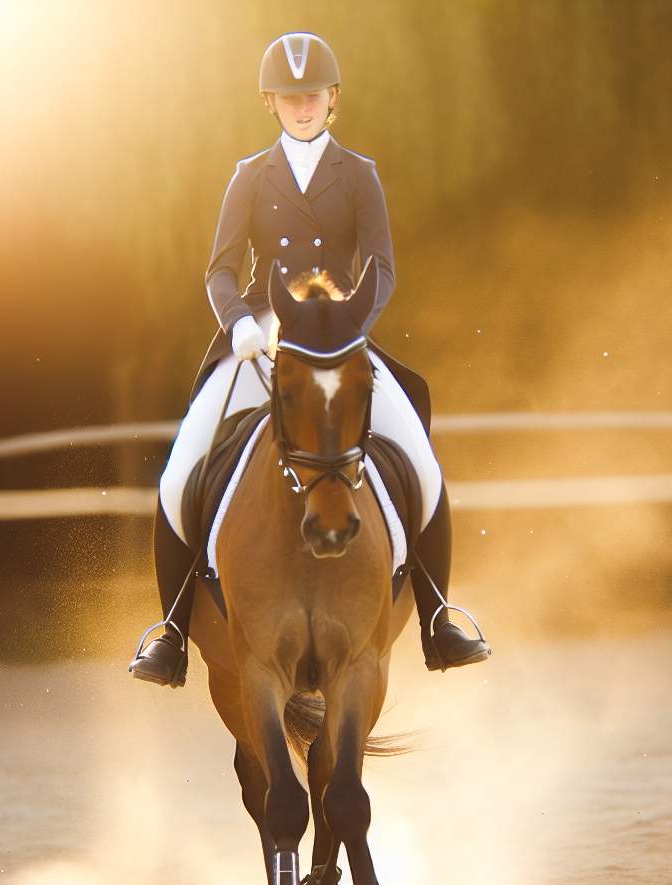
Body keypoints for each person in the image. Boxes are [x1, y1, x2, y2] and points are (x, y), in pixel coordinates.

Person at [129, 32, 490, 687]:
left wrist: (354, 320)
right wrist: (239, 322)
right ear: (272, 102)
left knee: (423, 465)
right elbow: (220, 270)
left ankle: (438, 615)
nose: (304, 106)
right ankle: (173, 631)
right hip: (263, 337)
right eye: (291, 96)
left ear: (332, 100)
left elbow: (380, 267)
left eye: (314, 94)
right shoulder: (248, 176)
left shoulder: (360, 175)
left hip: (342, 334)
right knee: (182, 468)